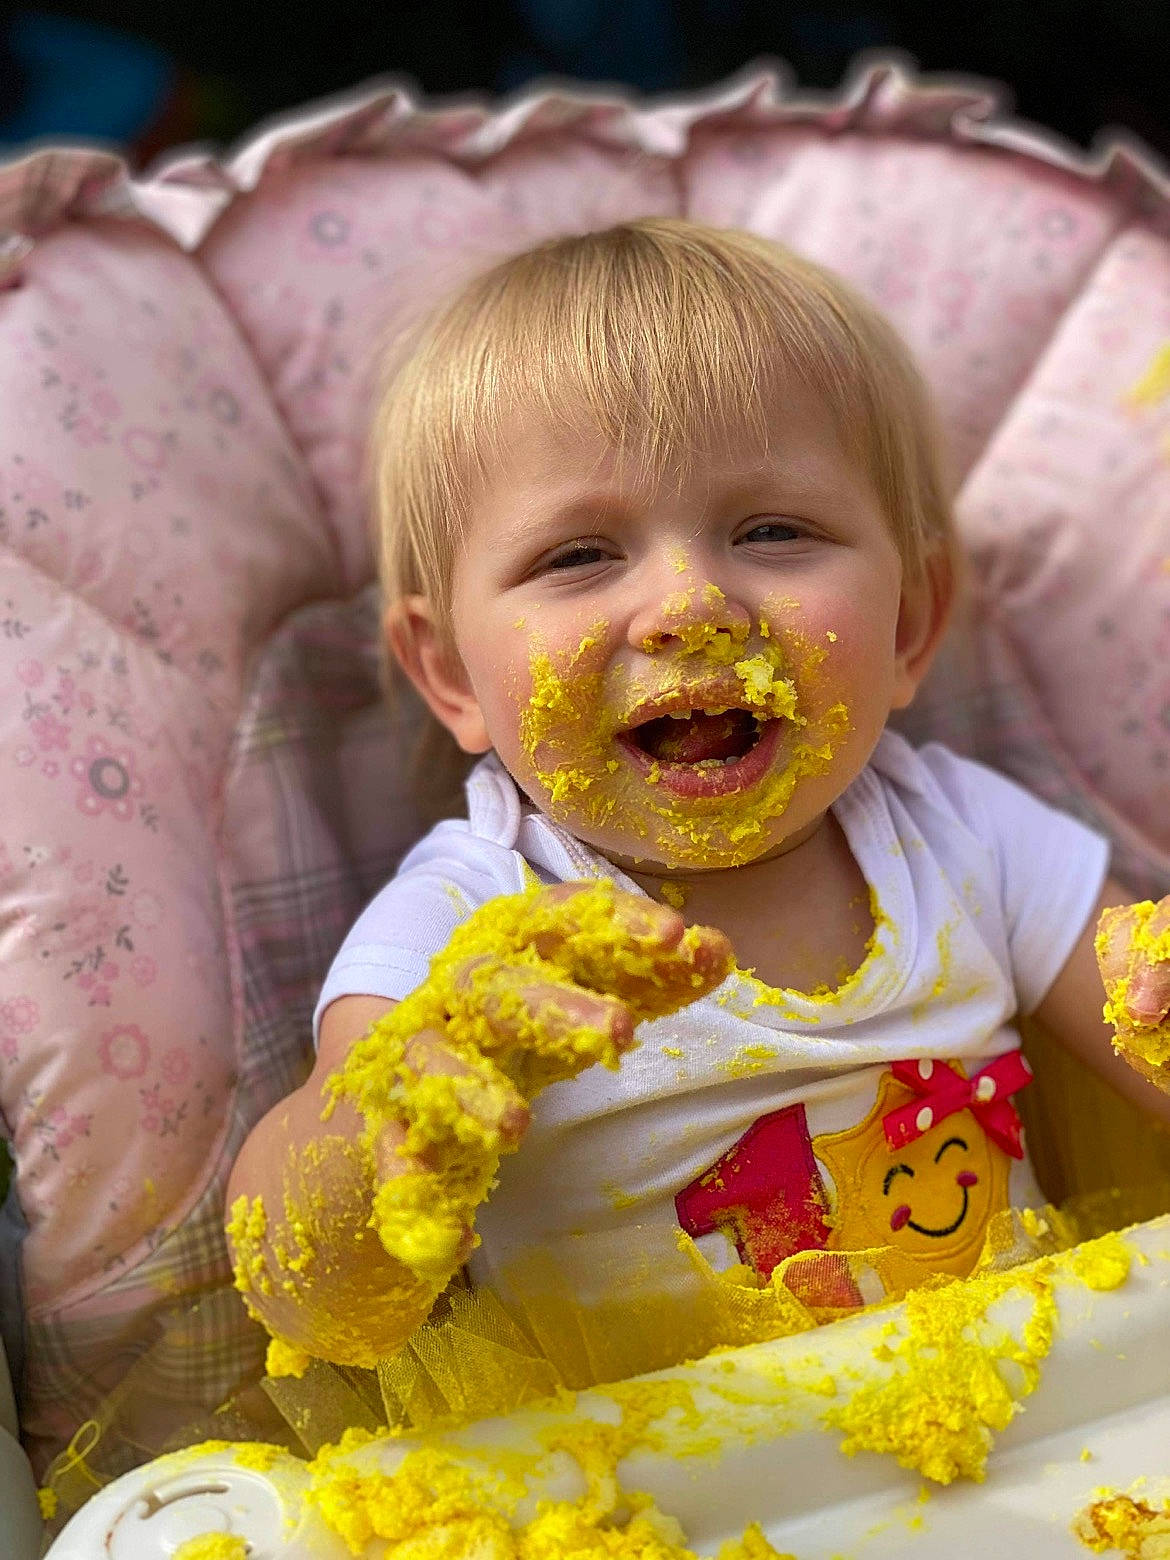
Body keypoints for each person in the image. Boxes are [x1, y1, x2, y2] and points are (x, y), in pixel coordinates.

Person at [225, 217, 1170, 1370]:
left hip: (1034, 1439)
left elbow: (1150, 1019)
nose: (691, 603)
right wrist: (380, 1134)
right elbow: (315, 1311)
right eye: (578, 555)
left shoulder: (969, 838)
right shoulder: (466, 930)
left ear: (913, 623)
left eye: (774, 530)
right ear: (449, 672)